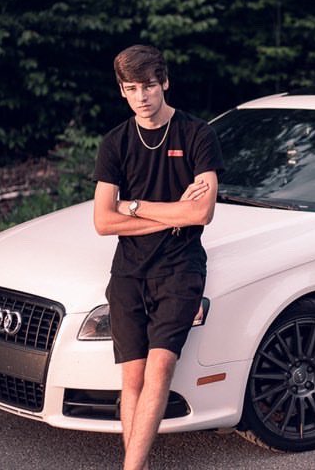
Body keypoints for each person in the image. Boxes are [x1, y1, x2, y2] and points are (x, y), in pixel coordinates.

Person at [92, 44, 223, 470]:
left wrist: (133, 206)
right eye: (132, 88)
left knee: (160, 369)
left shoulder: (197, 134)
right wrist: (171, 213)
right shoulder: (115, 143)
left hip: (180, 268)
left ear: (164, 82)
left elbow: (201, 213)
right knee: (132, 377)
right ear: (122, 91)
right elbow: (103, 221)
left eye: (148, 86)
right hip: (129, 271)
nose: (142, 96)